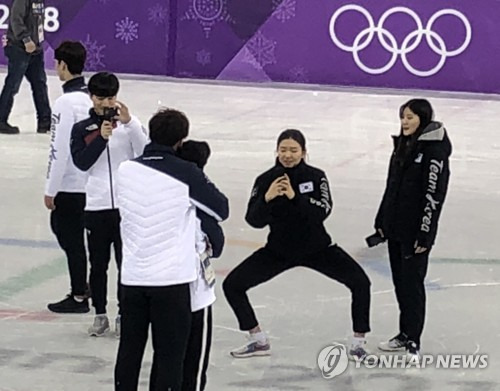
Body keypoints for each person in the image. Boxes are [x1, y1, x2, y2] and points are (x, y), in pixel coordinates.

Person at [223, 129, 372, 361]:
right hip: (278, 251)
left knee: (361, 283)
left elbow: (322, 211)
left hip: (318, 249)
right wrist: (267, 198)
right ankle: (257, 339)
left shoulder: (316, 176)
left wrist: (295, 197)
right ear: (276, 151)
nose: (288, 155)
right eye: (283, 150)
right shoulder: (265, 180)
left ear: (304, 152)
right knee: (232, 285)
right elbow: (253, 220)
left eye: (293, 150)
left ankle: (357, 343)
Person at [114, 109, 229, 391]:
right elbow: (220, 209)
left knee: (129, 352)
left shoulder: (126, 170)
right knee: (170, 359)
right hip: (171, 283)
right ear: (180, 140)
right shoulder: (185, 173)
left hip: (132, 279)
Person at [371, 99, 452, 361]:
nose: (405, 122)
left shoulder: (434, 151)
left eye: (410, 117)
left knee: (412, 285)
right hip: (396, 228)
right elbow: (391, 187)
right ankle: (404, 333)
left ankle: (413, 339)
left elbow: (433, 195)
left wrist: (425, 234)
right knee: (400, 283)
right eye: (403, 117)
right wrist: (382, 221)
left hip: (415, 232)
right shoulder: (404, 146)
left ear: (423, 119)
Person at [70, 72, 148, 337]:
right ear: (91, 98)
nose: (106, 103)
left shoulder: (128, 127)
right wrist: (101, 139)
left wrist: (131, 123)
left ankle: (124, 314)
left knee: (126, 264)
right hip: (96, 206)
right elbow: (82, 163)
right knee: (99, 264)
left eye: (111, 97)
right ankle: (100, 313)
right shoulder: (83, 129)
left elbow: (145, 154)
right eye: (101, 97)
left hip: (126, 208)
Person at [44, 41, 92, 313]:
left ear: (62, 65)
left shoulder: (65, 102)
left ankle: (78, 294)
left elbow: (58, 149)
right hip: (93, 183)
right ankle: (85, 288)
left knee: (70, 237)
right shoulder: (92, 97)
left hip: (72, 183)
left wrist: (51, 188)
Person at [177, 140, 225, 391]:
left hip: (162, 285)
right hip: (195, 289)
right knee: (195, 356)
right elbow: (217, 242)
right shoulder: (202, 203)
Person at [0, 0, 51, 134]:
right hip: (19, 48)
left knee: (40, 85)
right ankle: (0, 120)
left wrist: (38, 44)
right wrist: (26, 39)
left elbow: (37, 22)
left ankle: (45, 122)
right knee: (13, 85)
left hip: (35, 49)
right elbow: (16, 20)